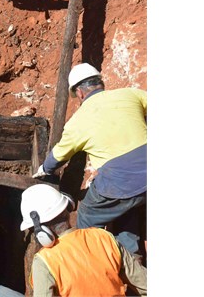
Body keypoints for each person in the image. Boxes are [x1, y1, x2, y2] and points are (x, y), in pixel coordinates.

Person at [33, 63, 147, 255]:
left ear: (79, 92)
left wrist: (45, 168)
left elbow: (59, 155)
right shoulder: (130, 94)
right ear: (100, 83)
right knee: (125, 206)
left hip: (121, 183)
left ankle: (93, 260)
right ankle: (131, 255)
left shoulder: (78, 122)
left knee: (87, 214)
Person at [0, 184, 147, 297]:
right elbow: (145, 284)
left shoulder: (45, 261)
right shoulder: (103, 238)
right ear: (67, 208)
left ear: (41, 232)